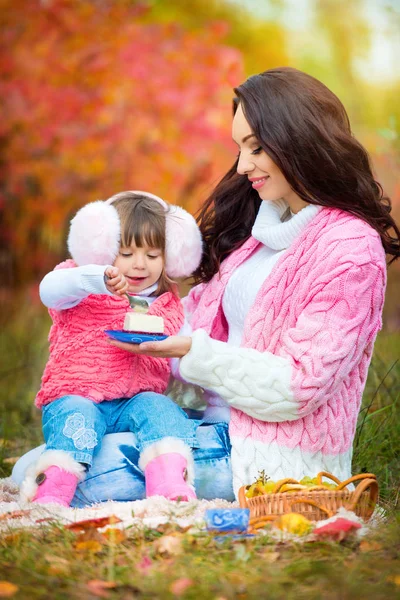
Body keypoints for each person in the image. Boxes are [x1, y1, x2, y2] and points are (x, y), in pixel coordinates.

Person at [14, 67, 400, 507]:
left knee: (53, 478)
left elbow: (300, 387)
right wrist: (131, 318)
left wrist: (188, 351)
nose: (242, 166)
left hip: (267, 455)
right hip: (210, 426)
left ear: (299, 139)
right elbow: (189, 319)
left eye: (256, 147)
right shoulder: (258, 237)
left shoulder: (349, 247)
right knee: (45, 459)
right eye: (240, 148)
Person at [19, 191, 203, 506]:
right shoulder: (82, 283)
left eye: (152, 254)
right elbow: (49, 291)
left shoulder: (169, 306)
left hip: (135, 403)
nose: (139, 265)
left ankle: (170, 488)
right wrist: (95, 279)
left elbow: (183, 359)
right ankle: (50, 496)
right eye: (127, 253)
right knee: (77, 418)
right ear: (103, 249)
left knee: (161, 410)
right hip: (78, 394)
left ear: (169, 257)